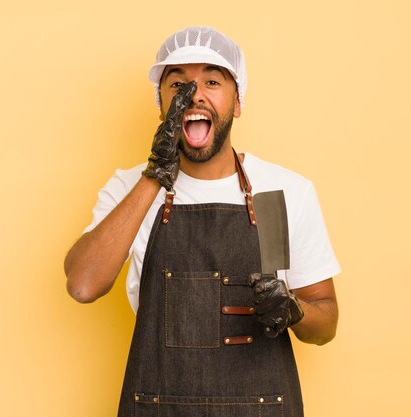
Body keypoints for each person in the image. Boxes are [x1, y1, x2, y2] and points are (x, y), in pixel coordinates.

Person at [64, 26, 341, 416]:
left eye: (212, 80)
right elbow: (83, 285)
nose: (194, 94)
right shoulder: (129, 188)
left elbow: (325, 322)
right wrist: (154, 175)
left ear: (237, 100)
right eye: (178, 84)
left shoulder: (278, 192)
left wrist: (295, 309)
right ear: (161, 105)